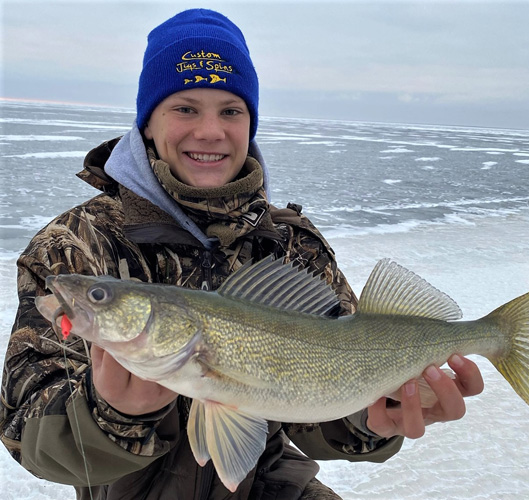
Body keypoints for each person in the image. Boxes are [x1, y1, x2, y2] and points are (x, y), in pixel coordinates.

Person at [0, 9, 484, 500]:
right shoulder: (73, 246)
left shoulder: (292, 243)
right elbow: (25, 427)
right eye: (185, 108)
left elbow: (330, 393)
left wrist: (376, 418)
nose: (210, 130)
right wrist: (114, 414)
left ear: (249, 122)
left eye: (231, 110)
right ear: (148, 123)